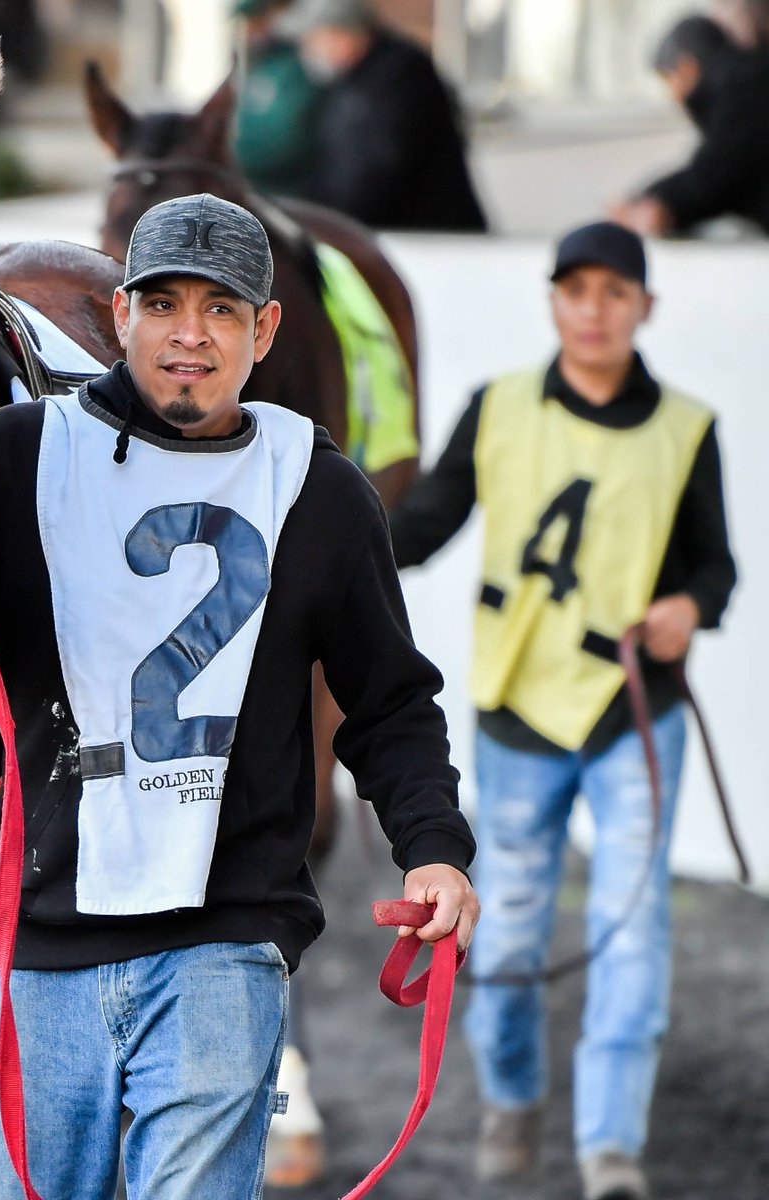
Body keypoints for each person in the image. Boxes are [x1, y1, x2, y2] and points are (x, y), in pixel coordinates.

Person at [0, 192, 479, 1199]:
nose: (189, 336)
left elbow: (389, 700)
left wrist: (433, 848)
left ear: (266, 328)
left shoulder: (318, 487)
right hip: (40, 947)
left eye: (220, 310)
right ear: (119, 315)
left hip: (225, 946)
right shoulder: (13, 457)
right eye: (163, 305)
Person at [387, 221, 737, 1200]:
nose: (593, 309)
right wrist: (325, 533)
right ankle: (511, 1097)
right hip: (518, 713)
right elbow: (421, 525)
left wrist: (690, 609)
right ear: (552, 302)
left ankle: (610, 1147)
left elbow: (717, 567)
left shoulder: (688, 428)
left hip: (636, 715)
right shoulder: (496, 407)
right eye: (575, 289)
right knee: (504, 933)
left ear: (644, 308)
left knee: (636, 933)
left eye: (614, 292)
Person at [291, 0, 488, 232]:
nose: (310, 50)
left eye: (315, 39)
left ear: (344, 33)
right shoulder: (353, 78)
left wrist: (330, 221)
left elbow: (379, 166)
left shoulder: (401, 74)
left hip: (428, 236)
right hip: (386, 232)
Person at [611, 15, 769, 237]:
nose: (673, 96)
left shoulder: (745, 87)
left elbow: (719, 172)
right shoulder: (746, 81)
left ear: (688, 67)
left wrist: (659, 204)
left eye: (670, 80)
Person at [232, 0, 323, 199]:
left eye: (257, 20)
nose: (248, 30)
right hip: (253, 192)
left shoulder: (295, 69)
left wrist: (232, 161)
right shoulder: (256, 66)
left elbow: (286, 140)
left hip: (288, 195)